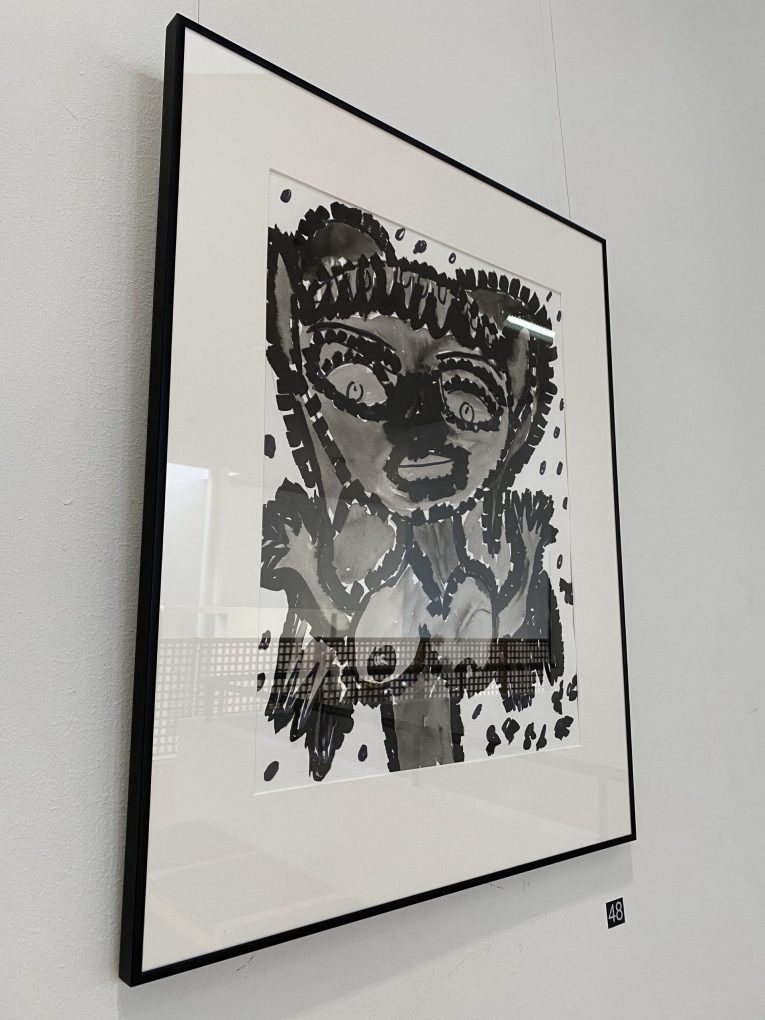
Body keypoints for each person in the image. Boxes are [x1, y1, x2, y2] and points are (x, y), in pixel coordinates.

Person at [261, 201, 562, 779]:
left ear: (512, 419)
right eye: (361, 383)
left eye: (465, 398)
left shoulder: (478, 563)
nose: (422, 423)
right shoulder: (352, 547)